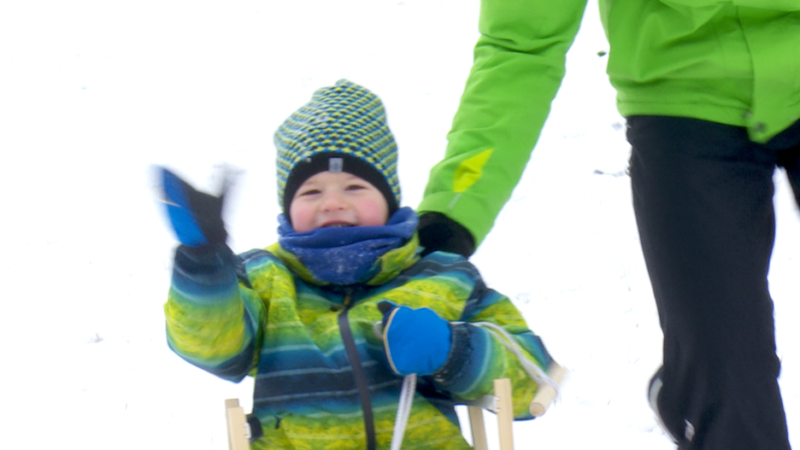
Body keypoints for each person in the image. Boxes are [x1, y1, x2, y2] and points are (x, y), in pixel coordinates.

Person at [416, 2, 800, 450]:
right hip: (682, 94)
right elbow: (520, 43)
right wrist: (454, 211)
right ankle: (698, 398)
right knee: (726, 378)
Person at [159, 79, 557, 450]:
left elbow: (533, 384)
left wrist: (454, 351)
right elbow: (212, 346)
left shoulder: (442, 278)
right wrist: (204, 264)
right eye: (311, 190)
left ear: (388, 200)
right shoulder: (267, 279)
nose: (332, 202)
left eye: (354, 187)